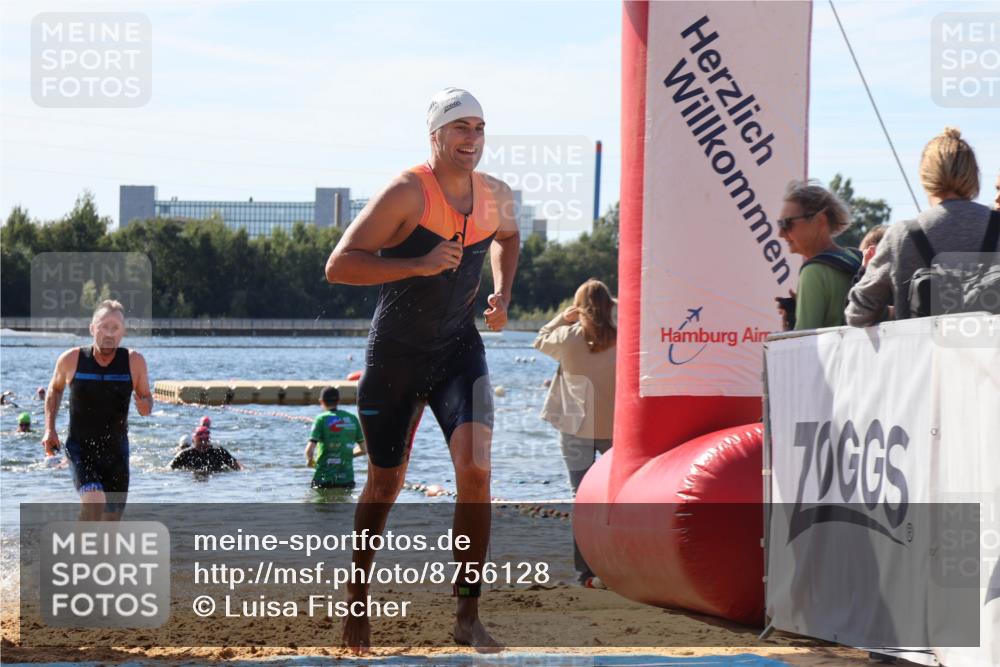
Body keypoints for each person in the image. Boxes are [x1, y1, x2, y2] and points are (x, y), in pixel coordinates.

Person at [325, 87, 519, 653]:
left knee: (477, 471)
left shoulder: (495, 196)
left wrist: (504, 294)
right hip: (397, 358)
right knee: (385, 484)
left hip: (460, 348)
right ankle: (357, 603)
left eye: (480, 128)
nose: (472, 139)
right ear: (435, 136)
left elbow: (509, 237)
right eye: (461, 128)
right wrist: (419, 262)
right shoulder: (407, 192)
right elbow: (339, 266)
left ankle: (467, 616)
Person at [847, 127, 997, 325]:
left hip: (923, 355)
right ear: (974, 175)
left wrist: (891, 315)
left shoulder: (902, 236)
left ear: (925, 175)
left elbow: (858, 313)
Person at [533, 279, 617, 588]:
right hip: (613, 430)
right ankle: (617, 565)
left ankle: (585, 573)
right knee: (615, 498)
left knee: (580, 498)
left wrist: (562, 318)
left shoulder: (568, 338)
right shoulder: (621, 341)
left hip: (575, 429)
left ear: (577, 307)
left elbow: (539, 340)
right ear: (609, 306)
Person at [43, 300, 153, 520]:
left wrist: (144, 406)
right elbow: (54, 390)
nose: (109, 333)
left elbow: (146, 401)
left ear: (123, 332)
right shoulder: (72, 359)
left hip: (117, 453)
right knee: (94, 503)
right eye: (104, 326)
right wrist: (50, 429)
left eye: (115, 328)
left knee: (110, 524)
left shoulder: (134, 361)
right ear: (92, 328)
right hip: (80, 449)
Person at [774, 180, 861, 330]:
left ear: (820, 220)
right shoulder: (856, 257)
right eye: (779, 224)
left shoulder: (813, 271)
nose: (780, 233)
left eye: (787, 223)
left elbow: (802, 344)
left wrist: (787, 331)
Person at [305, 386, 366, 489]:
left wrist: (310, 462)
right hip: (347, 480)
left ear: (321, 401)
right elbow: (364, 449)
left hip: (323, 479)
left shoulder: (321, 419)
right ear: (338, 401)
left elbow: (309, 451)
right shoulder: (352, 418)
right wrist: (345, 455)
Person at [169, 426, 241, 472]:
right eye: (201, 440)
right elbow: (168, 469)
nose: (203, 444)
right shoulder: (185, 454)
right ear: (194, 441)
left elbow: (238, 466)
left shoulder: (218, 451)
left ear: (209, 440)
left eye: (206, 440)